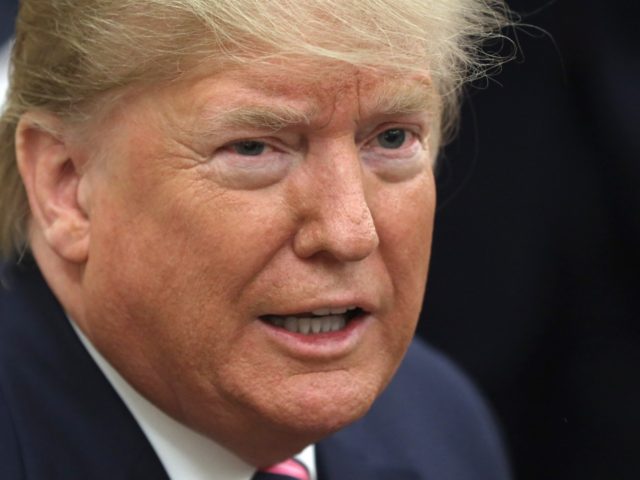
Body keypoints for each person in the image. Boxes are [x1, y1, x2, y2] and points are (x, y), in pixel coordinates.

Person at [0, 1, 512, 479]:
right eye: (253, 148)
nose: (348, 232)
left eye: (392, 138)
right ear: (65, 185)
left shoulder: (438, 423)